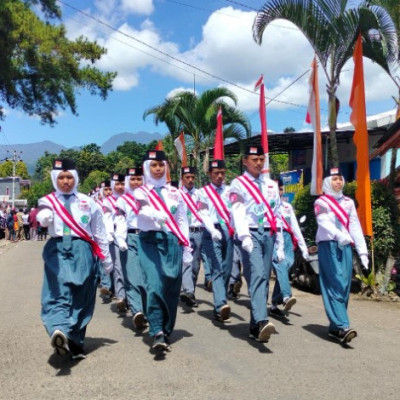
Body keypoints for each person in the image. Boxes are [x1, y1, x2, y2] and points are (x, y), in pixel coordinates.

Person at [36, 159, 112, 360]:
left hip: (83, 249)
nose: (65, 181)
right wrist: (44, 218)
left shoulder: (88, 202)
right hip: (57, 247)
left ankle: (76, 341)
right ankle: (58, 328)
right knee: (56, 291)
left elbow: (99, 231)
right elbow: (42, 214)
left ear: (76, 178)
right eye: (61, 177)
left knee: (82, 294)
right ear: (55, 179)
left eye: (69, 177)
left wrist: (106, 258)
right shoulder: (48, 201)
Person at [134, 150, 192, 352]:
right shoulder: (141, 191)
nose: (158, 169)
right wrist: (155, 215)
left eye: (161, 165)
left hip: (172, 241)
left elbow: (182, 220)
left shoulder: (175, 192)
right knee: (154, 285)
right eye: (153, 165)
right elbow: (141, 209)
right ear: (147, 168)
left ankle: (167, 329)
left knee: (171, 287)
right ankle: (157, 331)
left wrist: (187, 246)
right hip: (149, 241)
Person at [229, 145, 284, 342]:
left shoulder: (270, 185)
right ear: (245, 161)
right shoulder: (238, 184)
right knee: (257, 275)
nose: (259, 162)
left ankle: (255, 326)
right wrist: (244, 236)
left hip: (268, 233)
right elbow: (237, 210)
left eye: (261, 159)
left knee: (264, 278)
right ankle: (262, 320)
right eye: (254, 159)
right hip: (250, 233)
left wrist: (279, 243)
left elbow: (276, 213)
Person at [314, 167, 369, 345]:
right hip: (328, 244)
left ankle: (335, 328)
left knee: (344, 285)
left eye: (340, 179)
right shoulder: (321, 202)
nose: (338, 182)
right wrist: (339, 235)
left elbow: (354, 226)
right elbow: (323, 222)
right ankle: (343, 325)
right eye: (334, 179)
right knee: (335, 282)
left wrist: (362, 252)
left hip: (346, 246)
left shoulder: (348, 202)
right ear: (327, 182)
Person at [197, 159, 234, 322]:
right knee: (217, 267)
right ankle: (220, 304)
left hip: (228, 231)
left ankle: (220, 302)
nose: (220, 176)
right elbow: (203, 213)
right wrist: (212, 230)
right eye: (216, 173)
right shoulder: (202, 193)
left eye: (222, 173)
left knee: (227, 268)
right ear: (210, 174)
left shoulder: (230, 191)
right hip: (211, 231)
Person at [270, 180, 309, 317]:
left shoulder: (287, 207)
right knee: (281, 266)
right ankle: (286, 296)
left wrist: (303, 247)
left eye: (280, 189)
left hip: (287, 240)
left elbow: (295, 227)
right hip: (273, 238)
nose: (278, 192)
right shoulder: (267, 206)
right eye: (275, 189)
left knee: (286, 267)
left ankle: (274, 303)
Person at [115, 167, 147, 331]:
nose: (135, 182)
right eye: (132, 179)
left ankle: (147, 310)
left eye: (138, 179)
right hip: (130, 238)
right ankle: (137, 311)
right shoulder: (122, 200)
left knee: (147, 279)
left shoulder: (150, 197)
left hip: (148, 239)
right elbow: (120, 221)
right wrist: (120, 238)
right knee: (133, 277)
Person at [102, 173, 127, 312]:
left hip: (131, 235)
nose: (120, 187)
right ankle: (121, 296)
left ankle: (131, 296)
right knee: (118, 268)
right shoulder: (108, 201)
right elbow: (106, 219)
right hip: (115, 237)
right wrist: (109, 234)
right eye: (117, 184)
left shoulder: (131, 198)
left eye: (122, 183)